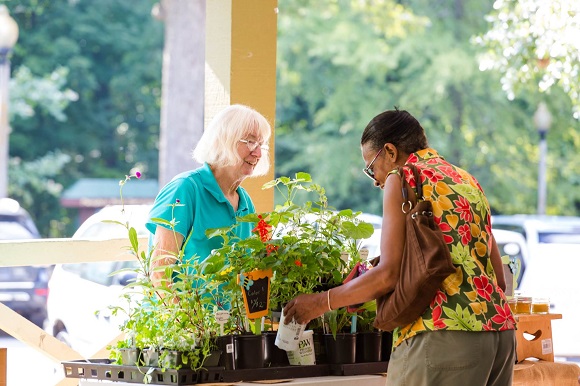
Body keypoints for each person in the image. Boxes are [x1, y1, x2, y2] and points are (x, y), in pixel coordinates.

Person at [283, 108, 516, 386]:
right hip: (500, 336)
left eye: (371, 168)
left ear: (390, 152)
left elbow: (389, 274)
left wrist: (321, 302)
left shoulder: (403, 176)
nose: (376, 182)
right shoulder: (467, 180)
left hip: (441, 336)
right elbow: (498, 278)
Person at [145, 104, 272, 287]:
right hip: (183, 314)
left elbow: (250, 275)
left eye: (261, 144)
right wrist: (185, 316)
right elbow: (159, 275)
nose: (258, 153)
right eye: (251, 142)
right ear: (225, 140)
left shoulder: (245, 202)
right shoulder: (185, 189)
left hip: (228, 316)